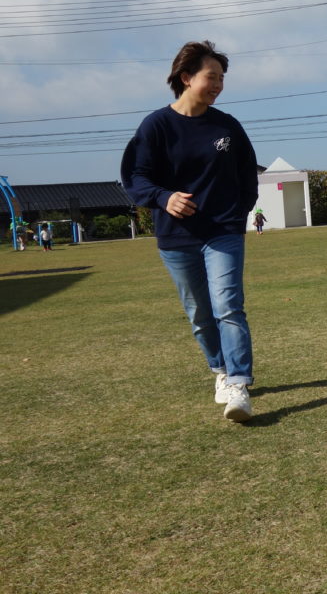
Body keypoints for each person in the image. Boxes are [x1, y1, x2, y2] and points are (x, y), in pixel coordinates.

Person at [120, 40, 259, 423]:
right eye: (211, 77)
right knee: (199, 312)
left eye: (222, 78)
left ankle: (239, 384)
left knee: (228, 305)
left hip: (223, 231)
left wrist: (239, 213)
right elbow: (135, 176)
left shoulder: (227, 126)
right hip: (176, 237)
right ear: (186, 77)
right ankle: (220, 370)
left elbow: (248, 173)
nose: (218, 85)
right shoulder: (156, 126)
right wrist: (164, 198)